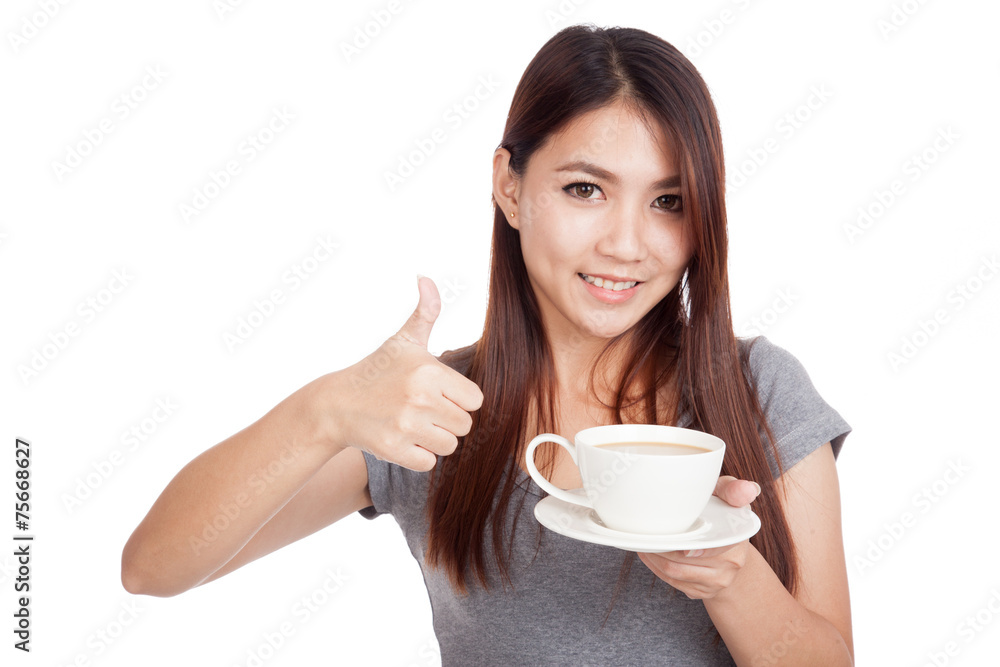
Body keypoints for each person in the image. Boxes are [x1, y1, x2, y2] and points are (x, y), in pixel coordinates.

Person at [121, 24, 854, 665]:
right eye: (585, 189)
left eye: (669, 202)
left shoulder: (759, 390)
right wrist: (326, 410)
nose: (627, 244)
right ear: (509, 186)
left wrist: (731, 575)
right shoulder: (429, 412)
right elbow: (153, 566)